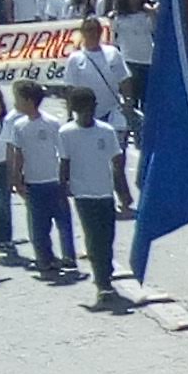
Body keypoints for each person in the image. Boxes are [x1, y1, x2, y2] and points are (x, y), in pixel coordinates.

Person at [57, 86, 124, 301]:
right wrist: (62, 189)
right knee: (94, 236)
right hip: (83, 194)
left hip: (105, 192)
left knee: (107, 236)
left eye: (91, 108)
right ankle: (102, 280)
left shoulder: (106, 131)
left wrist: (123, 191)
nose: (88, 113)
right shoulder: (66, 133)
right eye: (83, 109)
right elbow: (64, 163)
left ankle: (106, 269)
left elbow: (116, 163)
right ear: (75, 109)